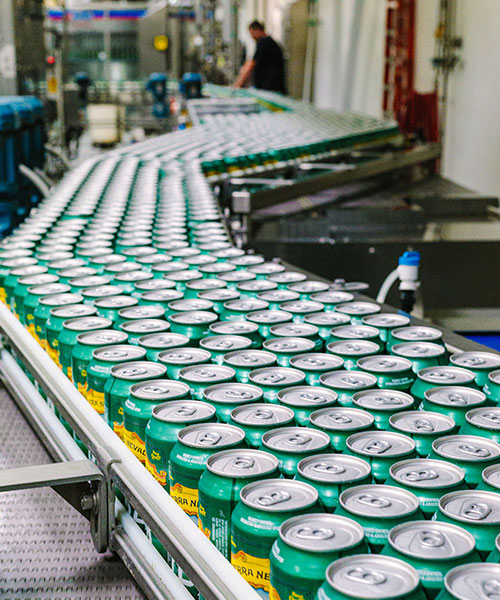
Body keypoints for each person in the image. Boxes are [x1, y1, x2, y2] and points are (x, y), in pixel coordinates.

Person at [233, 21, 285, 93]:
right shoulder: (270, 42)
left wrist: (238, 84)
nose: (252, 37)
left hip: (270, 88)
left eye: (252, 33)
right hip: (272, 87)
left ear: (257, 30)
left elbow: (251, 64)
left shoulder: (264, 43)